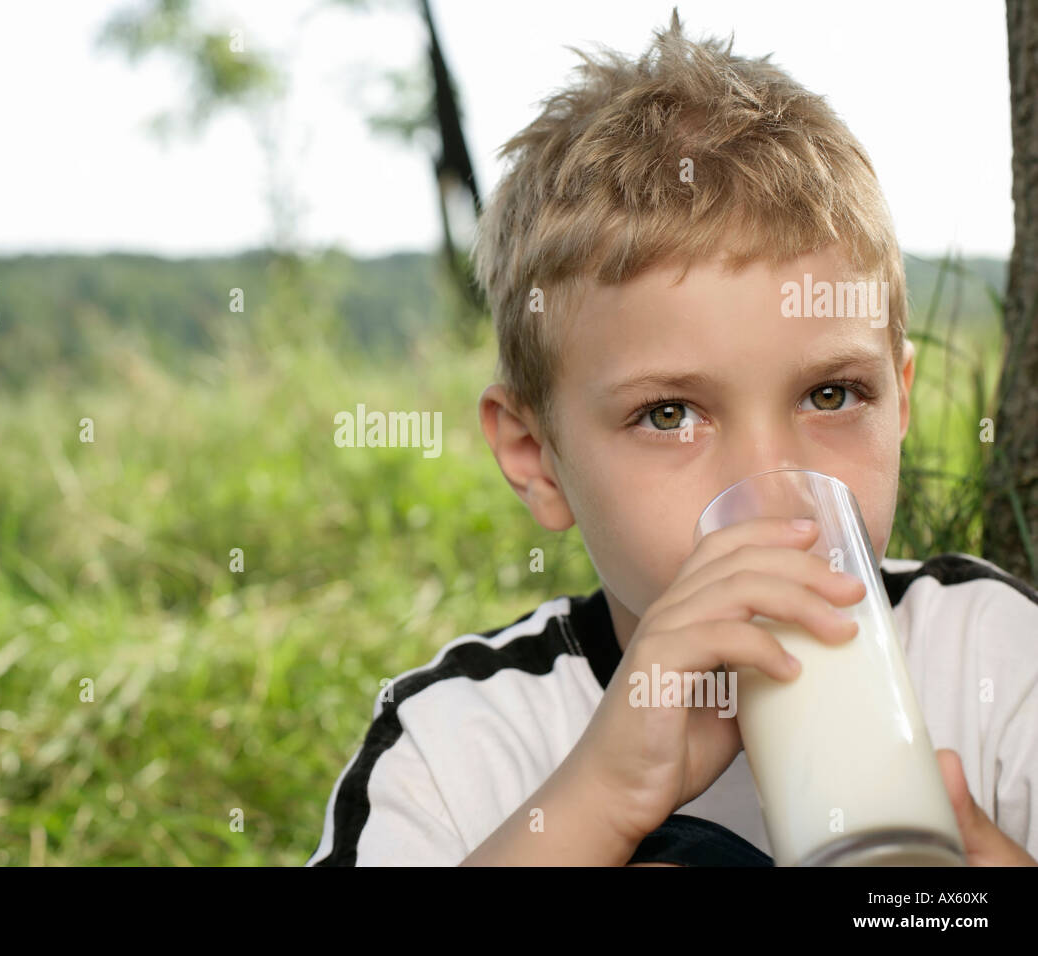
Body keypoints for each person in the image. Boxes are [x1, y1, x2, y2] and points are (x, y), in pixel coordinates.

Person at [306, 11, 1038, 867]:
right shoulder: (457, 742)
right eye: (669, 414)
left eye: (831, 395)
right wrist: (599, 798)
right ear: (537, 458)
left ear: (900, 402)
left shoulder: (994, 655)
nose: (771, 483)